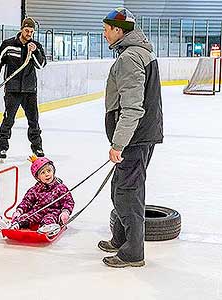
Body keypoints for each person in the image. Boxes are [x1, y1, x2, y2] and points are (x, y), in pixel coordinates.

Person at [99, 7, 163, 268]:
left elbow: (133, 106)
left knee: (127, 192)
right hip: (139, 136)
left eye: (106, 30)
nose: (104, 35)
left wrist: (118, 143)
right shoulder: (140, 52)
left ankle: (133, 252)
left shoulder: (129, 58)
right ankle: (121, 238)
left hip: (134, 139)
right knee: (120, 189)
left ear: (118, 30)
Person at [0, 17, 47, 160]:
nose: (29, 34)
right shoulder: (8, 45)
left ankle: (37, 147)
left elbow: (41, 65)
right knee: (8, 119)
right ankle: (2, 147)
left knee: (33, 120)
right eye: (27, 31)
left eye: (31, 32)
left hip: (29, 90)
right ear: (21, 29)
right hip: (12, 90)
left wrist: (34, 52)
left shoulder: (36, 46)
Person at [0, 156, 74, 235]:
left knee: (49, 218)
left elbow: (68, 201)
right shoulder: (35, 189)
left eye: (49, 171)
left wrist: (65, 212)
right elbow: (27, 201)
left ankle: (47, 228)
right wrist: (19, 211)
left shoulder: (60, 188)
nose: (47, 174)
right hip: (38, 211)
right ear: (37, 177)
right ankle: (14, 226)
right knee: (26, 217)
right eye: (43, 172)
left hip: (54, 212)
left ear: (53, 171)